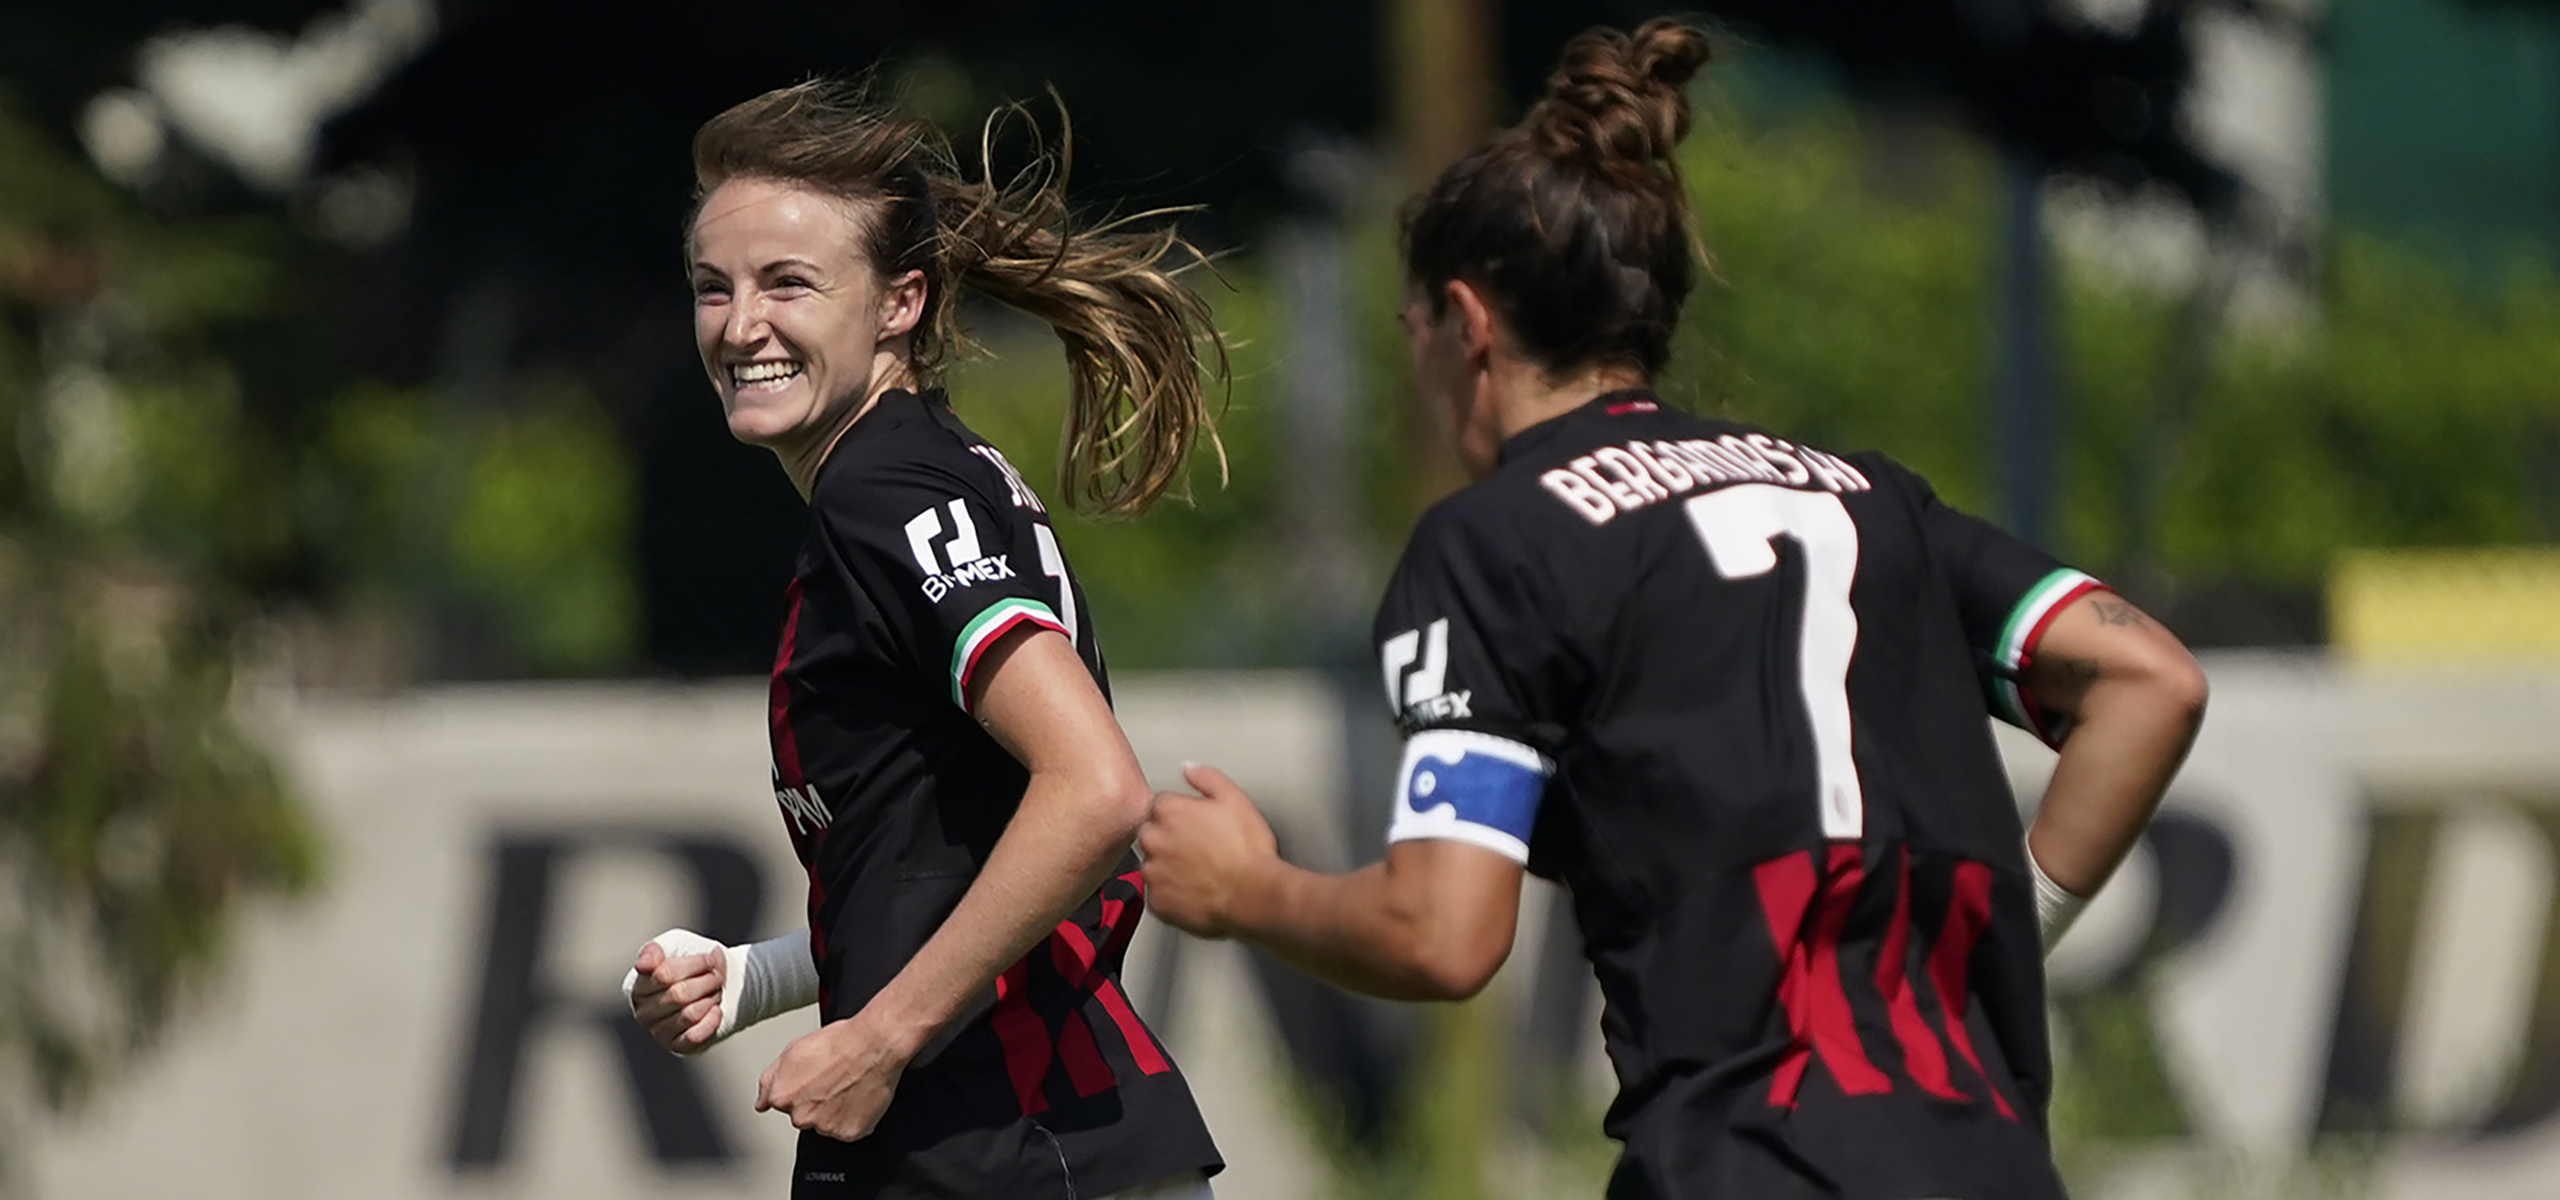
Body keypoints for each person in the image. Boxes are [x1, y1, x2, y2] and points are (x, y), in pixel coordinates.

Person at [1135, 18, 2208, 1200]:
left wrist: (1245, 890)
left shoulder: (1499, 539)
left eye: (1414, 336)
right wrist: (2011, 928)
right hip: (1987, 1159)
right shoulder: (1868, 499)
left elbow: (1441, 935)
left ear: (1467, 322)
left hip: (1752, 1162)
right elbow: (2149, 680)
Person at [618, 78, 1224, 1200]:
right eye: (714, 288)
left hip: (1006, 1144)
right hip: (1021, 1139)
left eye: (787, 283)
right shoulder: (919, 472)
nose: (741, 325)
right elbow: (958, 857)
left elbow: (1094, 792)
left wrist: (878, 1037)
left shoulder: (884, 493)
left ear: (899, 302)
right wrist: (755, 980)